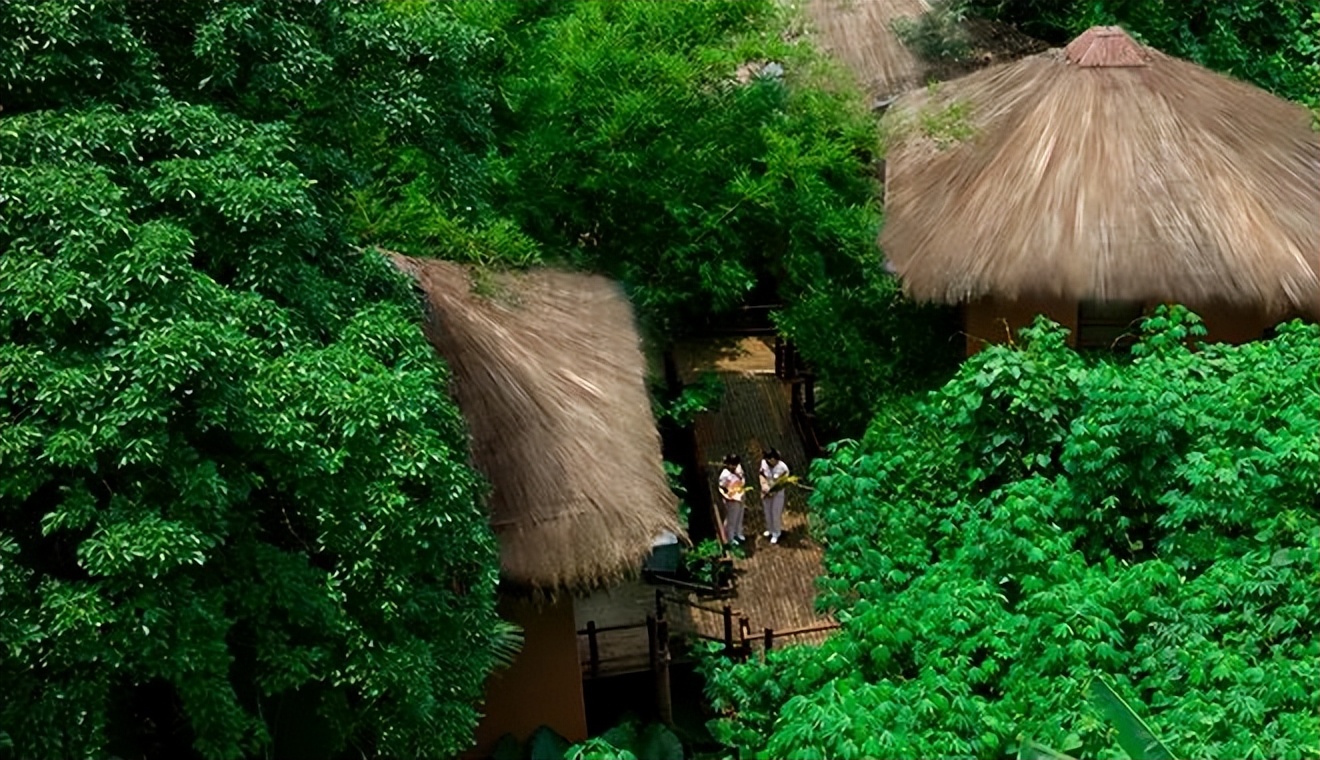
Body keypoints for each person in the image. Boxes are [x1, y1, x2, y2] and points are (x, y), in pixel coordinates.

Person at [759, 448, 790, 544]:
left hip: (777, 493)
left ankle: (776, 533)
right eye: (768, 459)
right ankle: (770, 529)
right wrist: (763, 485)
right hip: (766, 491)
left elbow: (783, 482)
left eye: (772, 459)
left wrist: (774, 491)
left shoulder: (783, 467)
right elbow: (761, 474)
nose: (770, 462)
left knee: (775, 512)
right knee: (767, 511)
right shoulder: (764, 463)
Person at [717, 454, 746, 544]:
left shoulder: (737, 471)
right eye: (733, 464)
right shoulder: (725, 474)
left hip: (740, 497)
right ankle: (730, 538)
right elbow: (722, 487)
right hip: (732, 499)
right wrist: (729, 495)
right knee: (732, 518)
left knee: (739, 516)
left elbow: (742, 480)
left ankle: (738, 533)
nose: (734, 466)